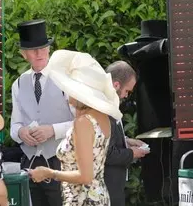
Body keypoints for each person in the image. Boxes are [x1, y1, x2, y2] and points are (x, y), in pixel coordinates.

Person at [29, 50, 123, 205]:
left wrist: (50, 173)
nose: (67, 93)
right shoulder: (103, 118)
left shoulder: (84, 122)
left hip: (82, 199)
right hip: (97, 196)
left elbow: (85, 176)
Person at [10, 19, 75, 206]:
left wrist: (53, 130)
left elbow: (81, 122)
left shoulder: (65, 80)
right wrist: (21, 133)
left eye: (42, 47)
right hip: (29, 164)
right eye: (32, 49)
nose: (38, 53)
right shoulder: (19, 83)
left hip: (60, 162)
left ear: (49, 49)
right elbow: (14, 126)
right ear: (24, 54)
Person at [105, 60, 149, 206]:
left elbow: (105, 138)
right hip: (107, 185)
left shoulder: (109, 104)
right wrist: (133, 153)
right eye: (127, 91)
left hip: (112, 183)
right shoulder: (104, 108)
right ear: (116, 85)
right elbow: (108, 153)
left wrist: (126, 140)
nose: (125, 96)